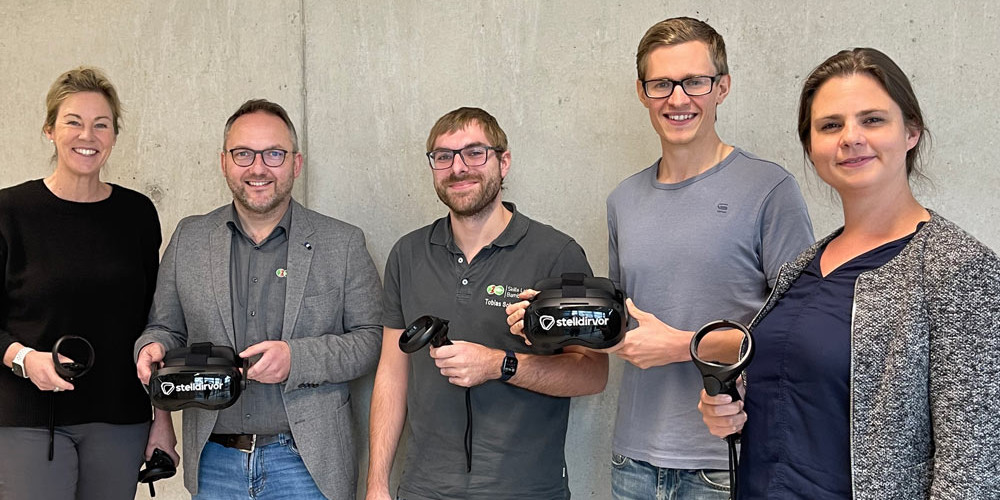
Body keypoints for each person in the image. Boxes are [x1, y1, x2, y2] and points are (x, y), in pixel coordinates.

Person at [508, 17, 814, 499]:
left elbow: (802, 337)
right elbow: (623, 326)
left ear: (722, 87)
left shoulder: (769, 190)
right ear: (642, 92)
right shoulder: (623, 200)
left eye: (695, 81)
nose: (677, 98)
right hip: (633, 461)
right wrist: (550, 319)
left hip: (726, 461)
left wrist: (681, 345)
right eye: (662, 84)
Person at [698, 47, 1000, 499]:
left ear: (911, 131)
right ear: (810, 145)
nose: (851, 138)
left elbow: (973, 471)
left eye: (872, 120)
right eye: (830, 125)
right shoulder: (804, 265)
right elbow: (805, 402)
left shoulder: (958, 268)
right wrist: (733, 410)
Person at [134, 98, 383, 499]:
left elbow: (371, 340)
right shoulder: (189, 238)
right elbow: (165, 327)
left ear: (296, 164)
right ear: (224, 162)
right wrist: (152, 347)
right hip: (214, 461)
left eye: (274, 154)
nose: (258, 168)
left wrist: (296, 359)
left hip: (307, 465)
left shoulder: (343, 243)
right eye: (243, 153)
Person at [366, 107, 608, 500]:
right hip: (424, 489)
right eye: (443, 156)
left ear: (503, 161)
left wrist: (498, 364)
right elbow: (392, 374)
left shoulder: (556, 254)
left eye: (474, 152)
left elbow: (593, 374)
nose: (458, 168)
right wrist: (376, 484)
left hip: (528, 491)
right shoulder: (407, 255)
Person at [0, 66, 177, 499]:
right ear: (49, 130)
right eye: (73, 122)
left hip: (120, 417)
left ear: (114, 135)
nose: (88, 136)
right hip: (30, 417)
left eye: (101, 124)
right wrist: (25, 360)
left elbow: (155, 323)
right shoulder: (10, 211)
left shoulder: (137, 214)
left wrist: (162, 418)